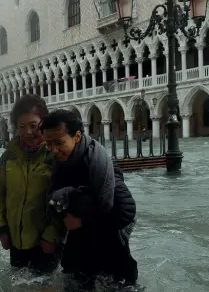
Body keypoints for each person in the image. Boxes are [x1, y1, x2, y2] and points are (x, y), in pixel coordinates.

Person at [39, 109, 138, 290]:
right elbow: (53, 200)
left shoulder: (98, 162)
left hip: (114, 222)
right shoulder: (61, 160)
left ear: (77, 136)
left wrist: (81, 221)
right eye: (48, 144)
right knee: (74, 273)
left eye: (59, 142)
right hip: (85, 223)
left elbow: (124, 209)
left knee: (115, 279)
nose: (53, 150)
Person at [0, 95, 64, 272]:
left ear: (44, 123)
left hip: (47, 243)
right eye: (22, 127)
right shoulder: (9, 157)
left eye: (33, 126)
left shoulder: (55, 156)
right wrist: (2, 228)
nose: (28, 132)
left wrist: (52, 235)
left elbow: (64, 201)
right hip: (17, 242)